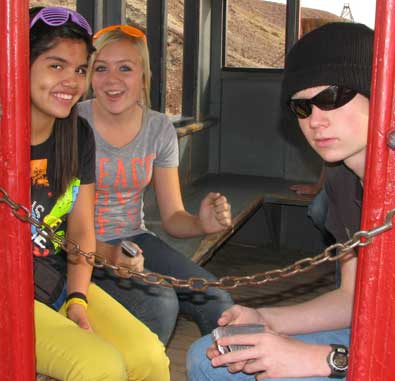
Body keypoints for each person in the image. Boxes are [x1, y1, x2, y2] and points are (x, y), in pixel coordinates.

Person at [187, 21, 373, 381]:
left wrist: (327, 360)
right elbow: (353, 299)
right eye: (302, 107)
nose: (316, 120)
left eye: (331, 97)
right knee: (208, 359)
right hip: (369, 333)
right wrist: (266, 319)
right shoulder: (342, 179)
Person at [29, 7, 169, 380]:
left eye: (78, 70)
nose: (71, 81)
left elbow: (79, 231)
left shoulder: (76, 135)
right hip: (10, 293)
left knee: (149, 357)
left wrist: (77, 297)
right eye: (55, 66)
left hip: (57, 281)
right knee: (99, 366)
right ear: (18, 66)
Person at [77, 24, 234, 346]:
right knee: (160, 304)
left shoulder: (158, 127)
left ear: (144, 76)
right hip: (80, 247)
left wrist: (202, 224)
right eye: (100, 68)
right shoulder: (72, 123)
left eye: (125, 68)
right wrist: (107, 253)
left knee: (215, 298)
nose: (112, 80)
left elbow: (174, 218)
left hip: (133, 239)